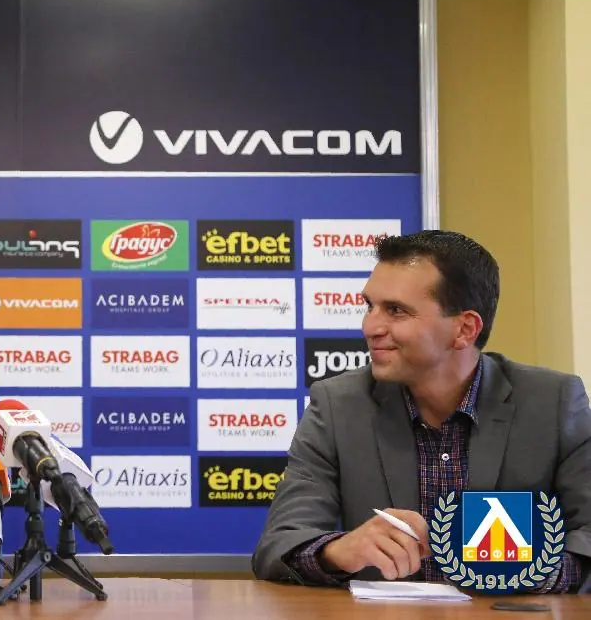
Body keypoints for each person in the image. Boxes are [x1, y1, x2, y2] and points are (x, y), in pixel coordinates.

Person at [252, 230, 591, 593]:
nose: (370, 327)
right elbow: (279, 545)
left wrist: (532, 570)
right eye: (370, 306)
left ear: (464, 329)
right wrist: (337, 552)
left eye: (396, 310)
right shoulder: (337, 405)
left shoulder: (552, 403)